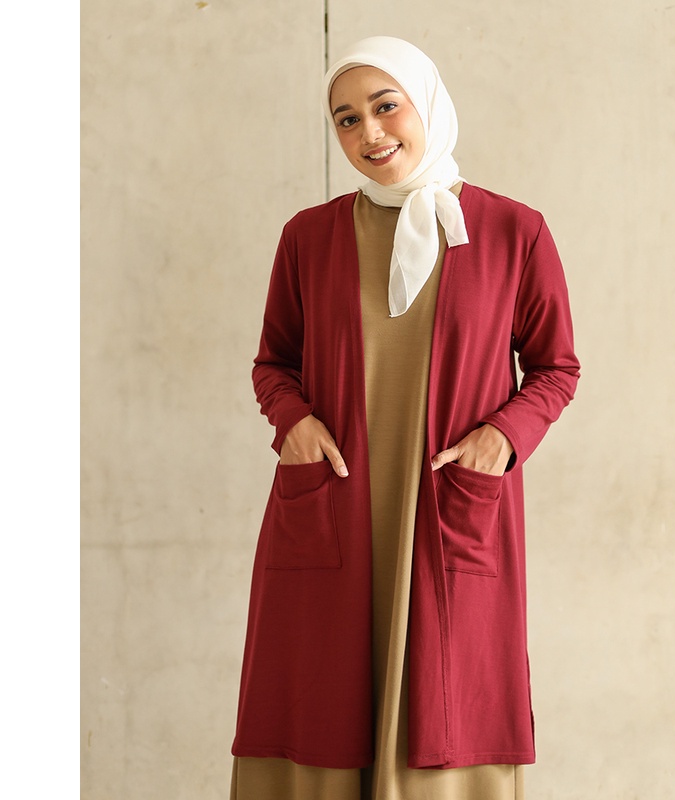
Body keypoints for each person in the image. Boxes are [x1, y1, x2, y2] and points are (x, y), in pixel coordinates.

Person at [229, 35, 580, 800]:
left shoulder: (513, 231)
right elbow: (273, 364)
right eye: (347, 119)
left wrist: (503, 437)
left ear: (427, 104)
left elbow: (556, 368)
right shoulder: (308, 236)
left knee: (448, 694)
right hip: (332, 504)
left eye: (387, 107)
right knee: (318, 692)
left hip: (452, 507)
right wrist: (292, 422)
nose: (371, 132)